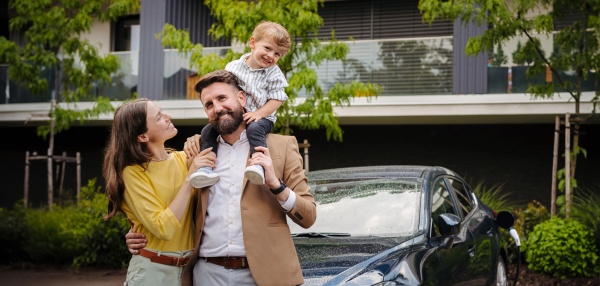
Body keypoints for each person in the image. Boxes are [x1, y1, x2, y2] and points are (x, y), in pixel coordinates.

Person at [126, 70, 317, 286]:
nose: (217, 108)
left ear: (242, 98)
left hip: (266, 276)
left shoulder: (282, 146)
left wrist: (276, 185)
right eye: (208, 104)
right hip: (206, 275)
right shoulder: (196, 154)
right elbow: (171, 204)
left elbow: (308, 216)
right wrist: (137, 231)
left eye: (222, 98)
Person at [104, 98, 215, 285]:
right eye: (158, 117)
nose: (168, 117)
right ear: (142, 137)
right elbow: (163, 228)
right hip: (153, 272)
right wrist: (189, 180)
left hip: (190, 271)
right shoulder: (133, 173)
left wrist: (198, 138)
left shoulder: (184, 159)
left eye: (162, 111)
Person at [189, 21, 291, 188]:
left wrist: (260, 114)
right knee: (208, 130)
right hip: (239, 113)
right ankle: (206, 168)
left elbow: (277, 98)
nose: (271, 56)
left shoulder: (274, 73)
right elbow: (227, 89)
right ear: (253, 43)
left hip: (262, 117)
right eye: (267, 48)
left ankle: (257, 164)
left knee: (254, 129)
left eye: (277, 54)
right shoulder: (234, 67)